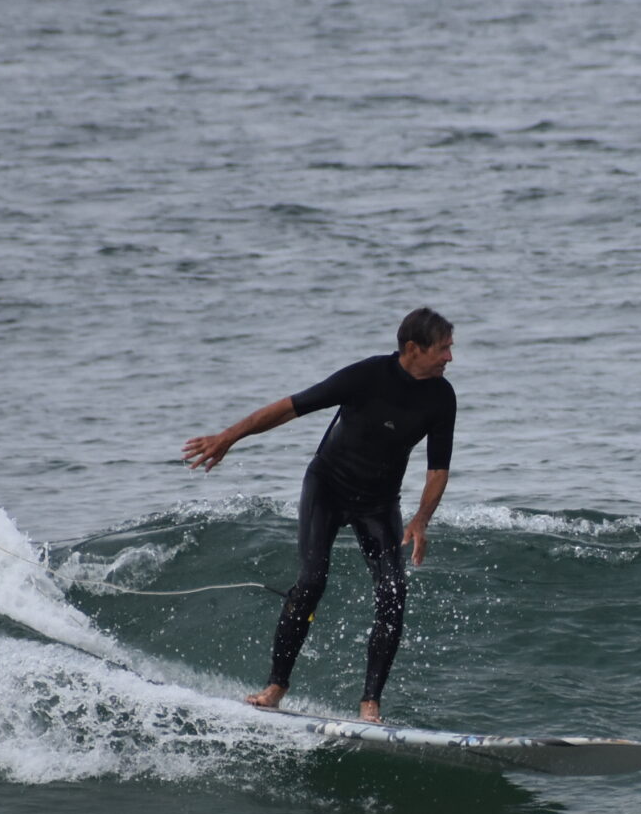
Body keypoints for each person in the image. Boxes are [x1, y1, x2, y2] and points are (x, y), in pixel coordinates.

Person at [182, 308, 457, 722]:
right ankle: (276, 687)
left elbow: (438, 468)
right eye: (444, 349)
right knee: (311, 582)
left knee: (393, 593)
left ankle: (370, 704)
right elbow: (290, 407)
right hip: (327, 487)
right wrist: (228, 437)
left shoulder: (441, 396)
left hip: (379, 503)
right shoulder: (366, 376)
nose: (450, 358)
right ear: (413, 348)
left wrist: (421, 519)